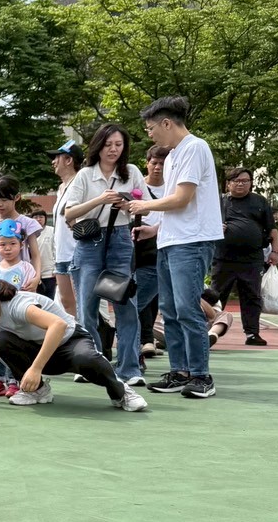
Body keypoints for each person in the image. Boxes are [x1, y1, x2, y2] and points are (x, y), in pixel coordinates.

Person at [127, 96, 224, 400]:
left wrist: (144, 204)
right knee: (169, 310)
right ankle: (180, 371)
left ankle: (201, 375)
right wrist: (154, 229)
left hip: (191, 242)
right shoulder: (171, 157)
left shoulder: (195, 148)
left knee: (186, 308)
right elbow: (178, 205)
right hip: (170, 240)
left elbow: (182, 198)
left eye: (151, 127)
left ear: (167, 123)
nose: (150, 133)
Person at [0, 276, 148, 412]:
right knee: (2, 341)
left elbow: (57, 325)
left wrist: (36, 368)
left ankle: (120, 392)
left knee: (87, 358)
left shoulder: (17, 305)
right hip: (40, 350)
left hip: (70, 342)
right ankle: (38, 391)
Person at [59, 123, 147, 386]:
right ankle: (90, 363)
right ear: (98, 146)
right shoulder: (85, 175)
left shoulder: (131, 172)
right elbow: (69, 213)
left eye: (118, 145)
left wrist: (126, 204)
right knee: (87, 307)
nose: (113, 150)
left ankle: (130, 368)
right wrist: (100, 200)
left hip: (120, 239)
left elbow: (146, 207)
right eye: (108, 145)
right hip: (90, 243)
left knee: (124, 304)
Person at [209, 166, 278, 346]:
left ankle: (252, 333)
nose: (241, 184)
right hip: (224, 257)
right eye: (237, 181)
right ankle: (207, 329)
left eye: (245, 181)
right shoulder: (218, 202)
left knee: (252, 296)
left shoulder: (259, 201)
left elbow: (272, 228)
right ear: (228, 184)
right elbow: (203, 225)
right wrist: (216, 228)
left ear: (251, 183)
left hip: (252, 258)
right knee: (216, 295)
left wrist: (275, 251)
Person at [0, 220, 37, 397]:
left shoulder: (26, 268)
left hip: (17, 321)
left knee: (13, 349)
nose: (8, 248)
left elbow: (30, 294)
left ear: (21, 245)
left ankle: (14, 381)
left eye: (12, 244)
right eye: (3, 244)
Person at [133, 145, 170, 363]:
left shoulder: (174, 190)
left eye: (162, 164)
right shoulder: (138, 188)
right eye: (154, 162)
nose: (157, 167)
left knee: (146, 300)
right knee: (134, 299)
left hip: (160, 251)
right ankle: (142, 343)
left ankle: (144, 343)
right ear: (147, 163)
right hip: (135, 251)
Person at [0, 176, 43, 279]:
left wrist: (36, 278)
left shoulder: (28, 223)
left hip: (23, 279)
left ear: (17, 197)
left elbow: (36, 255)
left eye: (4, 200)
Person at [46, 141, 83, 310]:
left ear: (69, 160)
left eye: (57, 158)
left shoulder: (81, 183)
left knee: (82, 303)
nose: (53, 162)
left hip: (77, 252)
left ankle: (90, 336)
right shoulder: (61, 187)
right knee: (67, 304)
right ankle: (75, 336)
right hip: (61, 254)